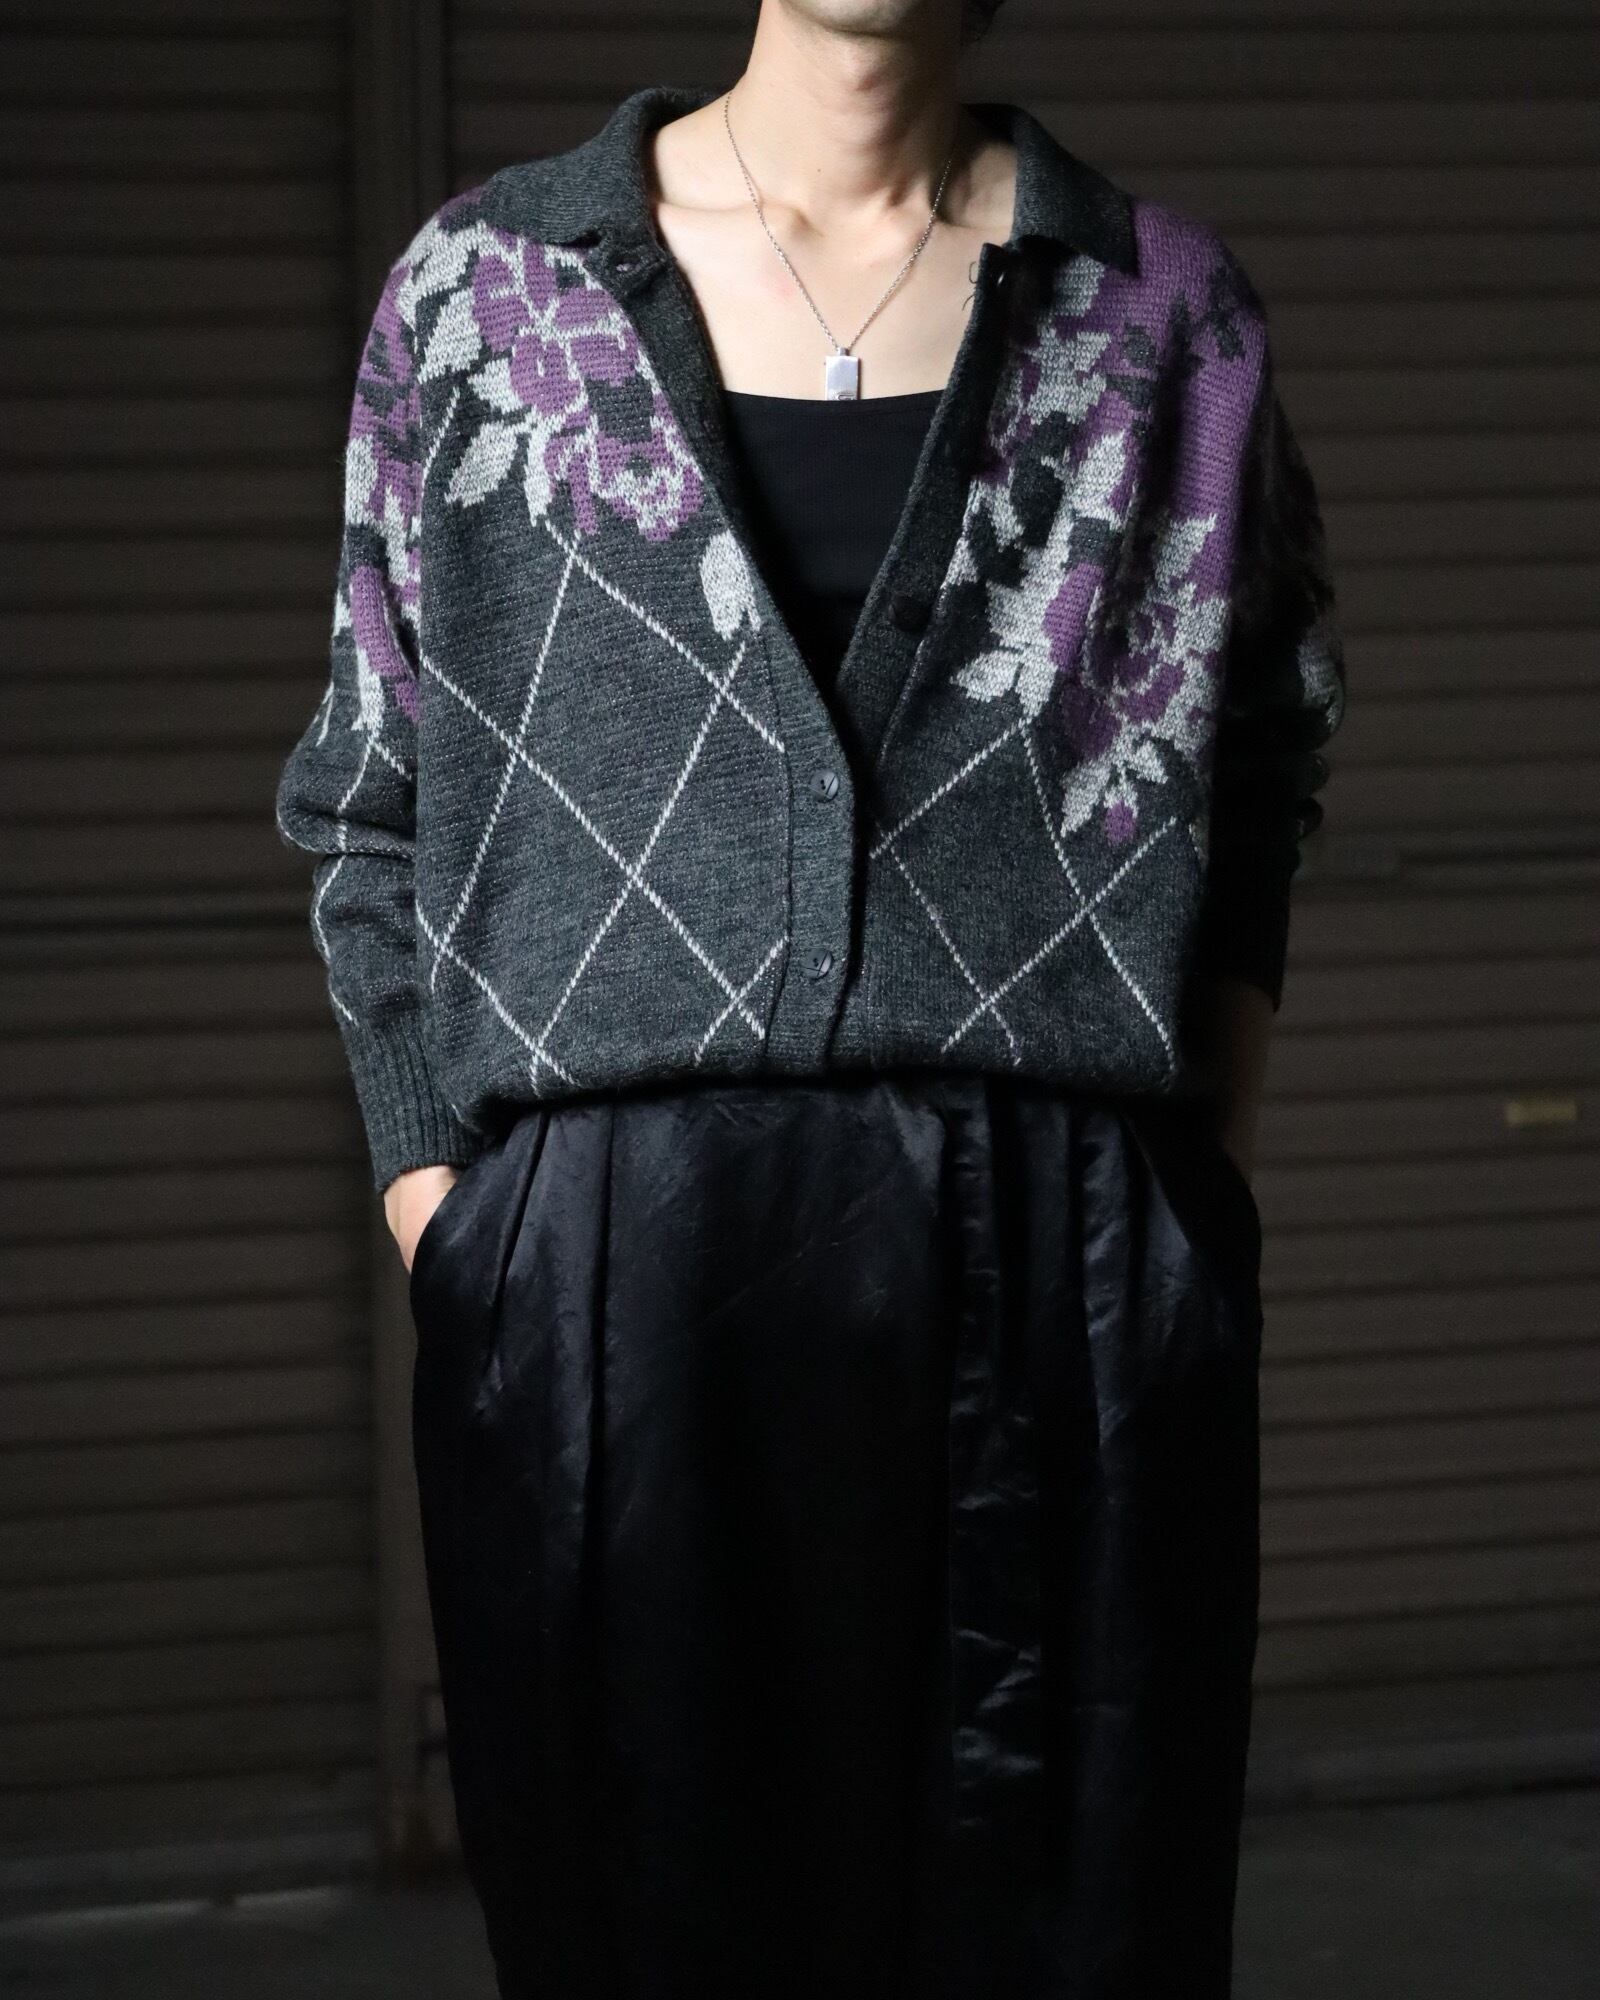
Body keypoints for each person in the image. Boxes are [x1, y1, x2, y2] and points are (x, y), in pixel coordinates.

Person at [274, 2, 1346, 1994]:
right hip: (613, 1282)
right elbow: (368, 786)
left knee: (1071, 1933)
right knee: (643, 1929)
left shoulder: (1163, 314)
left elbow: (1263, 751)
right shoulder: (485, 292)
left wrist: (1188, 1191)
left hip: (1063, 1265)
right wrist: (462, 1233)